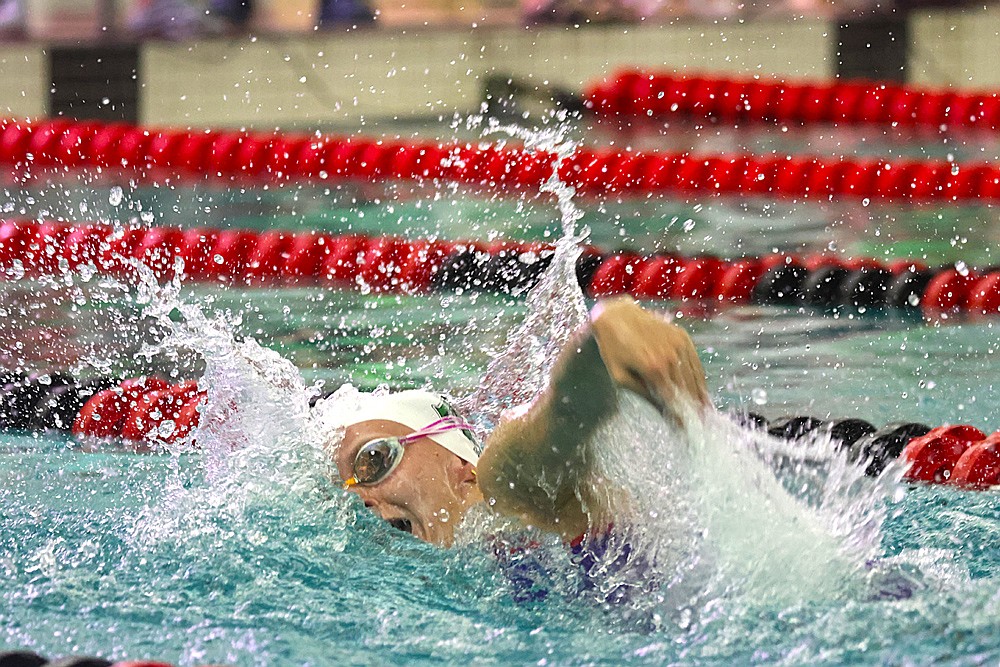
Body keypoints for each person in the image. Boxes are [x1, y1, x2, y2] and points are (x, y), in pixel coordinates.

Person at [331, 297, 710, 547]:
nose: (360, 498)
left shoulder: (505, 489)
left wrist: (607, 336)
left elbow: (561, 417)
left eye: (373, 460)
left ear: (461, 466)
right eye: (344, 488)